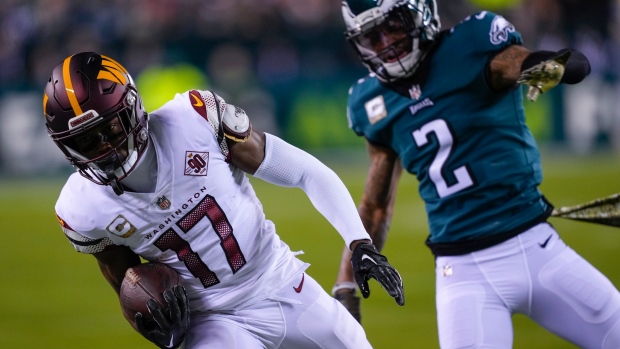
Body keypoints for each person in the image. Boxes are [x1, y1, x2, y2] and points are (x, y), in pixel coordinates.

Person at [43, 52, 405, 349]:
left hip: (280, 281)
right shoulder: (81, 208)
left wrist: (360, 242)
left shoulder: (194, 120)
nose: (105, 147)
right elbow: (127, 283)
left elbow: (304, 172)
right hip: (212, 321)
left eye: (110, 128)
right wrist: (158, 327)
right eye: (87, 142)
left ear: (133, 109)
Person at [332, 0, 620, 348]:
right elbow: (375, 207)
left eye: (392, 25)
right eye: (370, 36)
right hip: (462, 273)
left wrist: (547, 66)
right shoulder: (371, 101)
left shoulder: (472, 43)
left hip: (537, 247)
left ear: (421, 13)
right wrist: (345, 283)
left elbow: (516, 63)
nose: (384, 43)